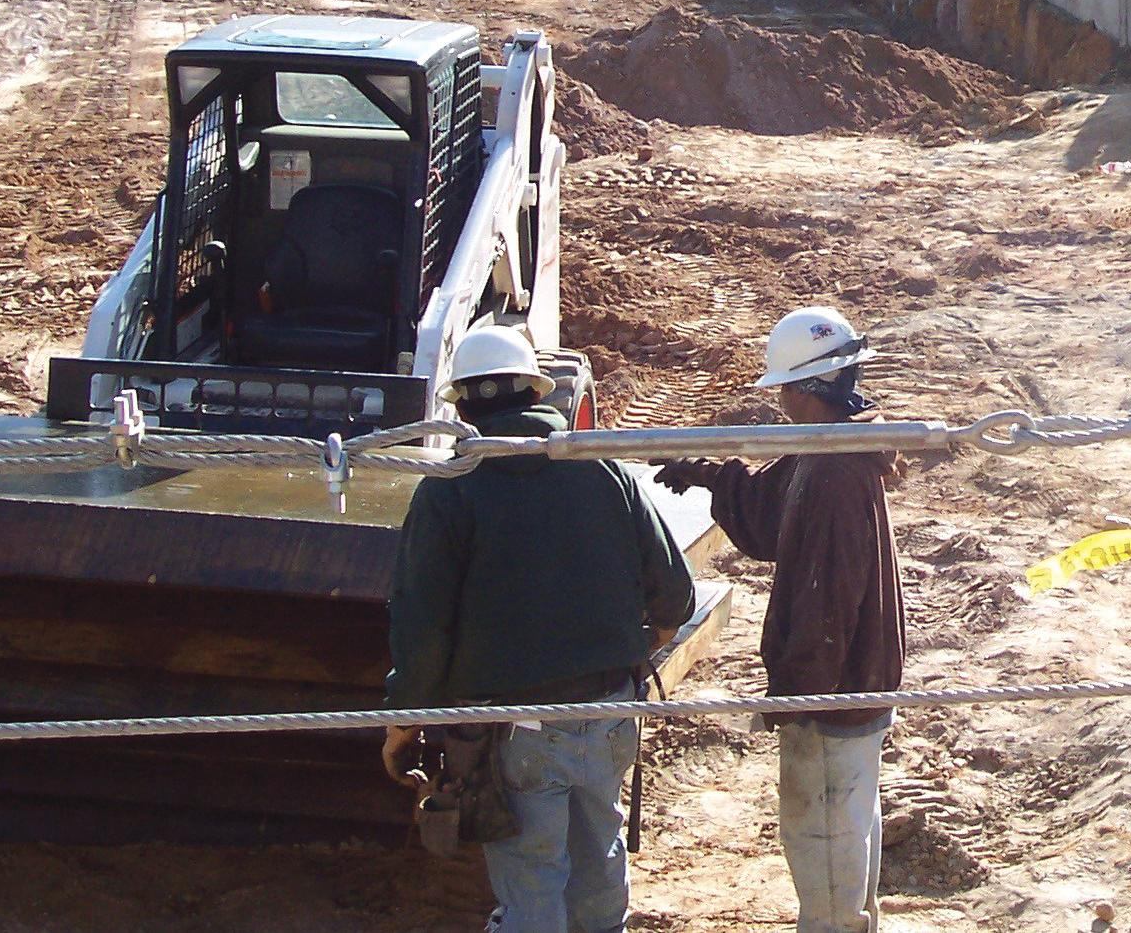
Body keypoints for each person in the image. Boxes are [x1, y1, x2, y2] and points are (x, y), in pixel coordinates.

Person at [386, 329, 697, 933]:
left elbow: (422, 631)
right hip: (611, 712)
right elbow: (675, 599)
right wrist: (632, 651)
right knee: (599, 862)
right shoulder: (604, 471)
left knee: (532, 889)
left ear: (463, 408)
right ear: (537, 392)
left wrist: (402, 725)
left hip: (516, 730)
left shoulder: (449, 492)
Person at [657, 307, 906, 933]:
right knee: (851, 820)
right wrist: (710, 474)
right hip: (858, 680)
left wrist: (798, 695)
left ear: (805, 387)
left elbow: (827, 600)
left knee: (824, 832)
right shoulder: (834, 444)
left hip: (834, 692)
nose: (780, 402)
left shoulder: (833, 471)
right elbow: (773, 511)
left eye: (784, 389)